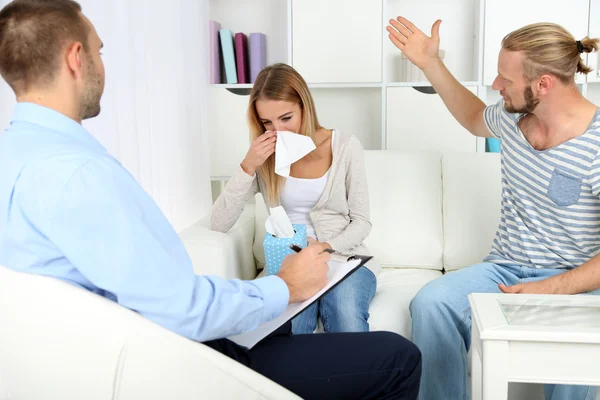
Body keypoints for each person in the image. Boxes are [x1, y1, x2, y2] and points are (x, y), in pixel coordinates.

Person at [0, 1, 422, 399]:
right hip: (182, 355)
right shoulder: (82, 173)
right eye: (100, 52)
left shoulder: (17, 156)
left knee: (327, 318)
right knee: (400, 357)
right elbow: (183, 307)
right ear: (76, 58)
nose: (102, 64)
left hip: (143, 345)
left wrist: (281, 284)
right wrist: (282, 285)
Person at [387, 16, 600, 400]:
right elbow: (471, 116)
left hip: (577, 281)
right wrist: (430, 63)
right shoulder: (513, 117)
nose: (496, 86)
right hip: (504, 268)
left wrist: (549, 289)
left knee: (579, 354)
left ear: (544, 85)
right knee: (431, 304)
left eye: (505, 78)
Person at [211, 63, 379, 335]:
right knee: (290, 329)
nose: (277, 131)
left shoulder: (346, 147)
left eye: (286, 118)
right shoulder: (265, 155)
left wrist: (325, 246)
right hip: (290, 261)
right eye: (267, 122)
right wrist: (248, 166)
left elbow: (362, 222)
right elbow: (219, 223)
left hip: (343, 256)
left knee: (345, 316)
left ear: (305, 107)